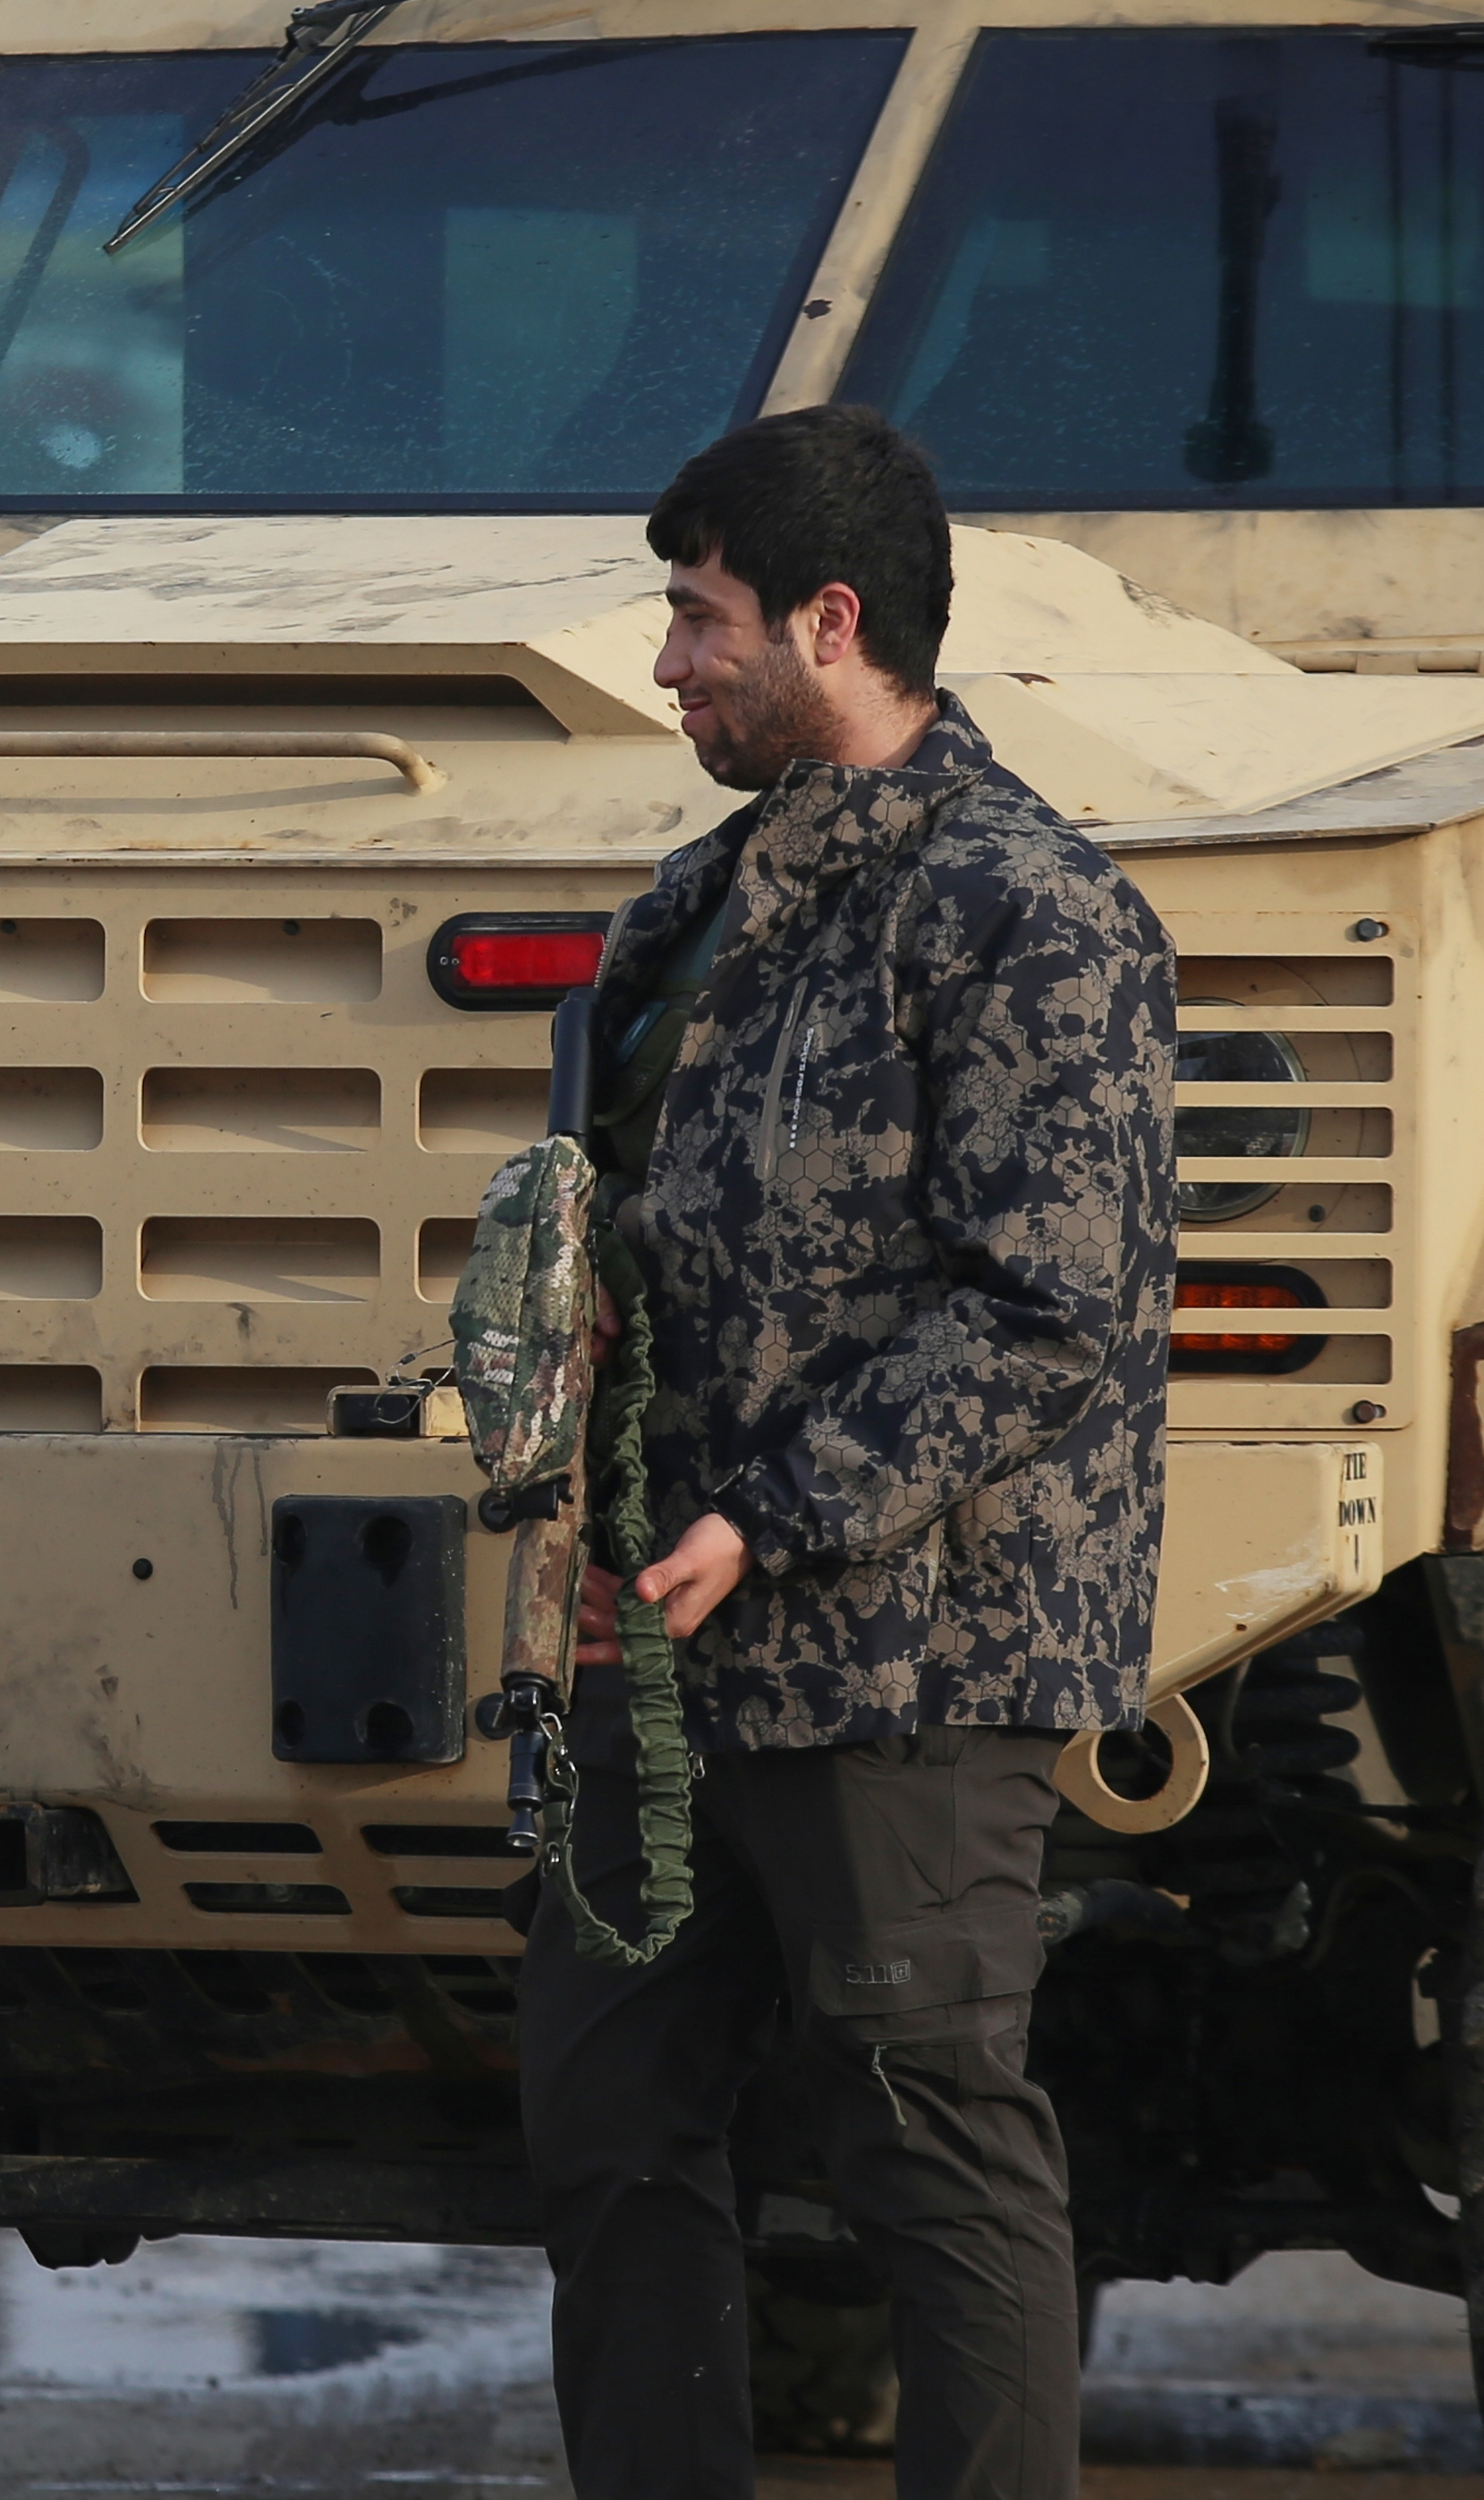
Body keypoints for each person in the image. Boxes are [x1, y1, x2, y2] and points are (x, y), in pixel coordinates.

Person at [516, 406, 1176, 2500]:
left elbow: (1045, 1304)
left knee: (928, 2149)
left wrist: (769, 1512)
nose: (663, 664)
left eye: (695, 619)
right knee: (607, 2130)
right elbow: (621, 1237)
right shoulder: (693, 905)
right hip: (657, 1646)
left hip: (907, 1654)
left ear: (828, 619)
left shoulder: (1026, 907)